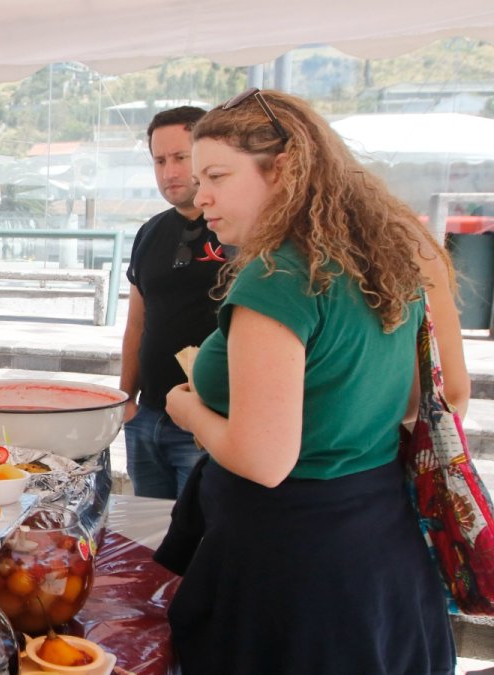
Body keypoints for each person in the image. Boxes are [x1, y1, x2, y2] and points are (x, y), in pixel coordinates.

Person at [163, 89, 458, 674]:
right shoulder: (387, 259)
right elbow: (424, 399)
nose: (202, 197)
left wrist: (188, 409)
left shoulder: (276, 281)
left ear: (287, 169)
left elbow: (264, 459)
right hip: (380, 541)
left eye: (217, 175)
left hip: (292, 565)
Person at [120, 106, 225, 499]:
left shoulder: (237, 231)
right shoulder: (150, 232)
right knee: (149, 542)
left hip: (209, 422)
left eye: (181, 158)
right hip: (148, 418)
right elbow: (137, 324)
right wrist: (126, 401)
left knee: (196, 542)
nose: (170, 172)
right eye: (160, 160)